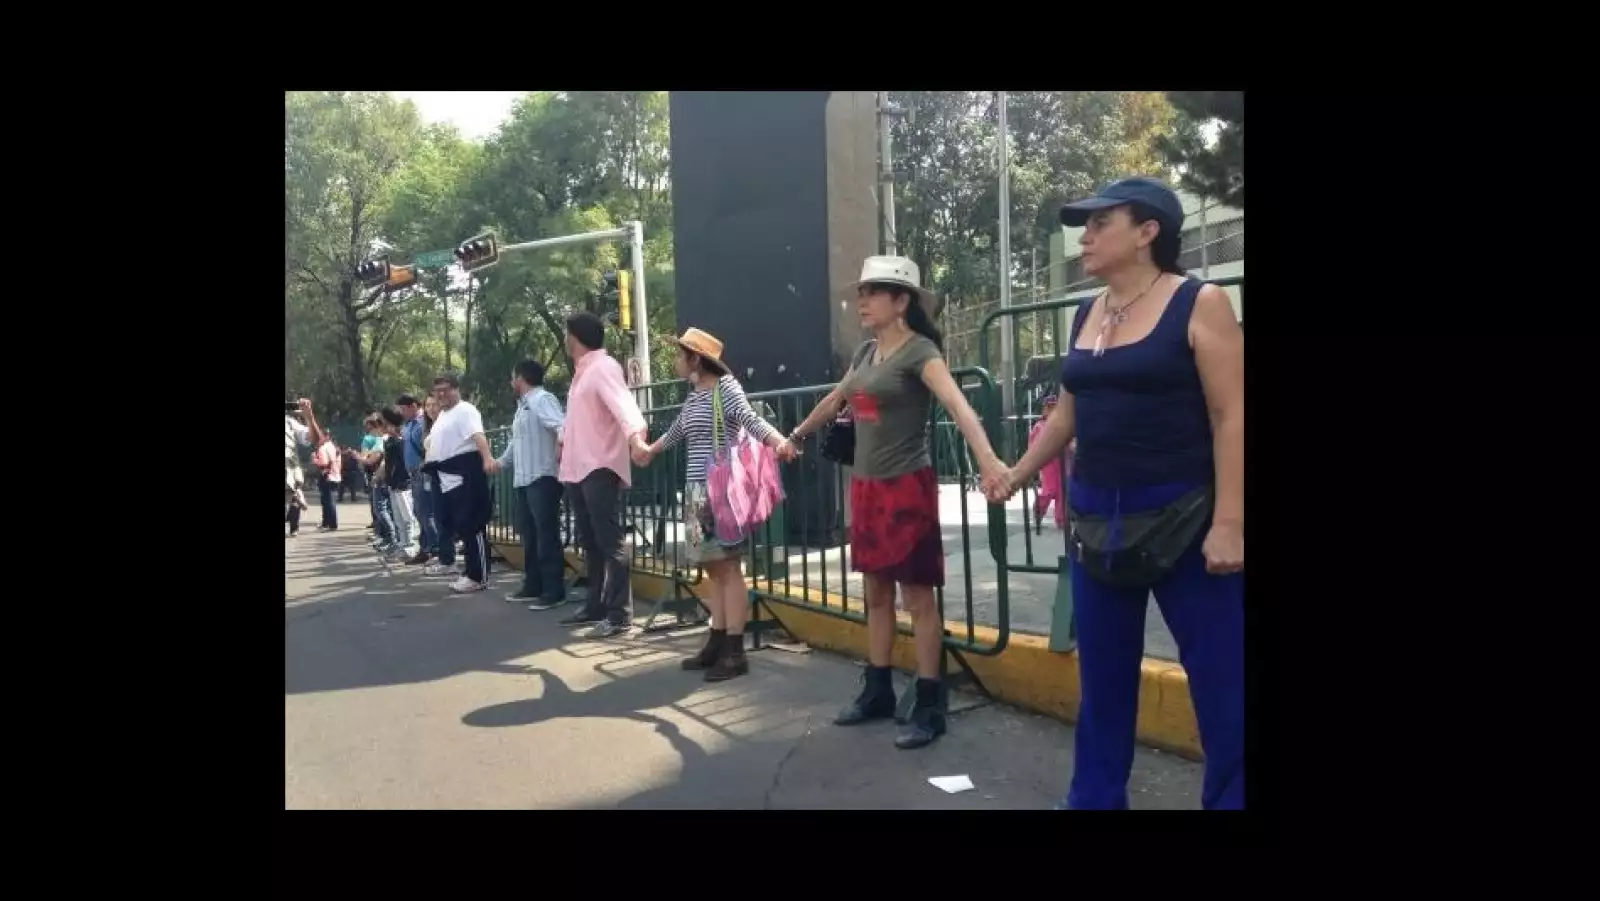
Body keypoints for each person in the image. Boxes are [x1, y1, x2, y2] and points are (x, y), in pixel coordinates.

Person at [987, 177, 1244, 810]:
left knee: (1224, 685)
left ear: (1148, 231)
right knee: (1102, 688)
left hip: (1187, 518)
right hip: (1097, 522)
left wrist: (1231, 521)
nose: (1088, 235)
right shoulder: (1086, 311)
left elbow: (1231, 413)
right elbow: (1068, 417)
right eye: (1086, 224)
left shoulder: (1198, 301)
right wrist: (1018, 472)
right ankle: (1094, 802)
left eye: (1103, 222)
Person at [788, 256, 1006, 749]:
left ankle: (930, 701)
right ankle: (879, 689)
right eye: (860, 291)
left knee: (919, 599)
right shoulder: (866, 352)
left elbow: (956, 403)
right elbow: (835, 400)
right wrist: (794, 436)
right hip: (865, 488)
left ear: (902, 300)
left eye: (874, 291)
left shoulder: (919, 351)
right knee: (876, 595)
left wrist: (989, 462)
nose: (861, 300)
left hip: (906, 487)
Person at [635, 328, 797, 681]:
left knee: (728, 568)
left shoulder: (727, 388)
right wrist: (651, 451)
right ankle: (717, 638)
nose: (676, 361)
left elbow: (749, 419)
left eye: (680, 355)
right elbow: (678, 429)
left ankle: (734, 650)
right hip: (695, 492)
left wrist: (778, 441)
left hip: (719, 493)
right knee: (711, 567)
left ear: (696, 359)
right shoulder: (693, 395)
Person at [557, 311, 649, 638]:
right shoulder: (582, 373)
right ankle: (595, 605)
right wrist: (563, 441)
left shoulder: (603, 367)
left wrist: (636, 437)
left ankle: (619, 614)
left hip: (599, 466)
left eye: (568, 333)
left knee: (610, 542)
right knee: (591, 542)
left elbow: (626, 408)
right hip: (578, 467)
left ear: (576, 336)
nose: (566, 340)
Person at [487, 359, 569, 610]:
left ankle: (553, 590)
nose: (511, 382)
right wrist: (501, 463)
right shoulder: (523, 407)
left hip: (543, 477)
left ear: (520, 378)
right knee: (530, 535)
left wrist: (560, 446)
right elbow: (516, 441)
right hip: (524, 478)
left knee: (545, 535)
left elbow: (561, 426)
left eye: (513, 377)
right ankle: (533, 584)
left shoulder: (542, 399)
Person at [422, 374, 494, 593]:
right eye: (437, 391)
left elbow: (478, 436)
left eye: (446, 389)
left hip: (465, 476)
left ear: (456, 389)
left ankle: (478, 576)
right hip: (447, 479)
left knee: (473, 525)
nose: (441, 394)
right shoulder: (443, 415)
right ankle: (470, 572)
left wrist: (488, 457)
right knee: (462, 527)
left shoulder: (465, 410)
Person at [397, 394, 438, 566]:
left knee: (426, 512)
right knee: (419, 512)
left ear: (414, 406)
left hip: (423, 471)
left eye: (404, 409)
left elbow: (426, 447)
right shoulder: (409, 425)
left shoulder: (422, 423)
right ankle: (425, 548)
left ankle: (435, 549)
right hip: (413, 473)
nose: (402, 412)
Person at [379, 407, 420, 561]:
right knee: (398, 519)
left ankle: (411, 546)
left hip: (404, 483)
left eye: (386, 424)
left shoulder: (401, 441)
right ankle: (402, 545)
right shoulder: (389, 441)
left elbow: (403, 463)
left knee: (408, 517)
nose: (384, 427)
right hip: (393, 484)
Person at [1028, 395, 1069, 531]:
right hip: (1048, 463)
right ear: (1044, 409)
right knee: (1049, 490)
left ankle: (1061, 519)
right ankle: (1039, 510)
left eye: (1054, 407)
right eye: (1049, 407)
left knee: (1062, 491)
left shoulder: (1062, 424)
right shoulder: (1039, 427)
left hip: (1062, 461)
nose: (1052, 410)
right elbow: (1033, 445)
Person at [285, 399, 322, 538]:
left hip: (288, 474)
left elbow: (315, 439)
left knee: (292, 502)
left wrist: (309, 417)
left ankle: (294, 526)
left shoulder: (289, 422)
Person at [311, 431, 342, 531]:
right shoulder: (333, 447)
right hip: (335, 476)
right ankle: (326, 523)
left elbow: (323, 462)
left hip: (327, 477)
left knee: (328, 502)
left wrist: (314, 459)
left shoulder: (323, 448)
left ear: (324, 437)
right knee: (328, 501)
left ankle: (331, 524)